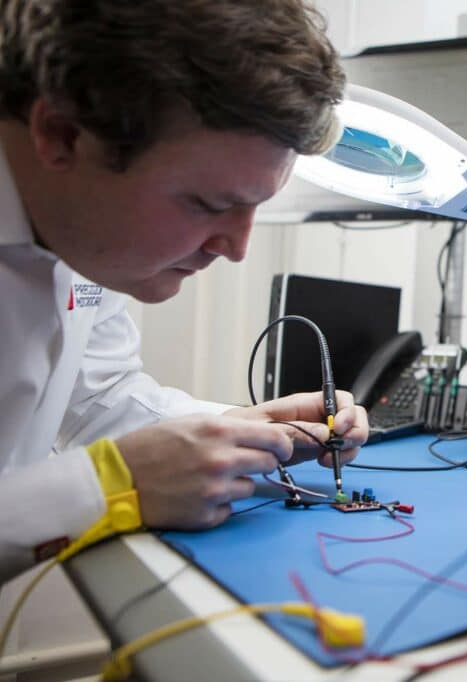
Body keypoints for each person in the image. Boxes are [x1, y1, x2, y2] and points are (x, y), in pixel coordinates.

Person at [0, 0, 367, 584]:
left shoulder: (85, 237)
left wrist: (246, 432)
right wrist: (107, 486)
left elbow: (102, 398)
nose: (235, 247)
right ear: (62, 135)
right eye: (208, 204)